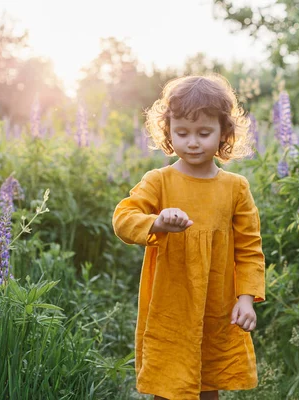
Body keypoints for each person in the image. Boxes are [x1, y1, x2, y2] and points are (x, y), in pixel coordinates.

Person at [112, 73, 266, 400]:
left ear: (224, 133)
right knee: (169, 380)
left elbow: (249, 249)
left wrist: (246, 299)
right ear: (168, 133)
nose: (192, 142)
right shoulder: (159, 181)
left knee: (209, 380)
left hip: (217, 304)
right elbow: (123, 218)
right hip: (171, 303)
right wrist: (156, 223)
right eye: (182, 133)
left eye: (204, 133)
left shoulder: (236, 188)